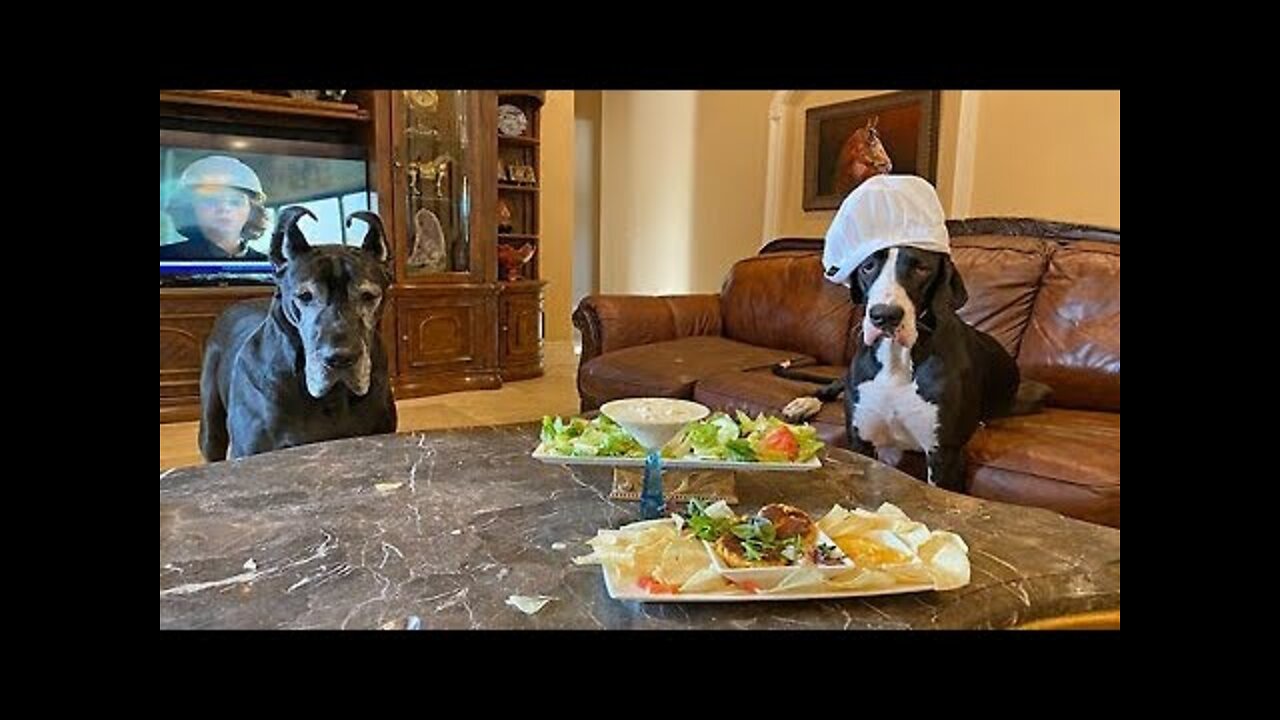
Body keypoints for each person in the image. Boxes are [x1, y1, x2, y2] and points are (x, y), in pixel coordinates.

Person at [160, 155, 270, 260]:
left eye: (235, 202)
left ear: (252, 210)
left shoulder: (271, 265)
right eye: (211, 201)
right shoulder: (165, 257)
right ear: (189, 209)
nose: (224, 208)